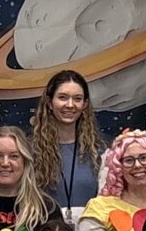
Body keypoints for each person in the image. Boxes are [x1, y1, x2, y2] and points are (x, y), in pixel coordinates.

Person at [30, 68, 103, 213]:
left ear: (85, 104)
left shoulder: (99, 152)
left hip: (90, 225)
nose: (70, 105)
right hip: (45, 225)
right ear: (49, 102)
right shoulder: (31, 151)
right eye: (63, 97)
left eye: (77, 99)